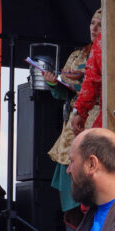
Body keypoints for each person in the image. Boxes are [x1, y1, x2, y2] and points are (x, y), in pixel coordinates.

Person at [45, 9, 102, 218]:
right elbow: (63, 93)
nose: (94, 28)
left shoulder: (109, 51)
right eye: (92, 23)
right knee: (71, 204)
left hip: (100, 124)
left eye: (100, 25)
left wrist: (85, 76)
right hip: (73, 130)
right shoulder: (77, 55)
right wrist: (53, 82)